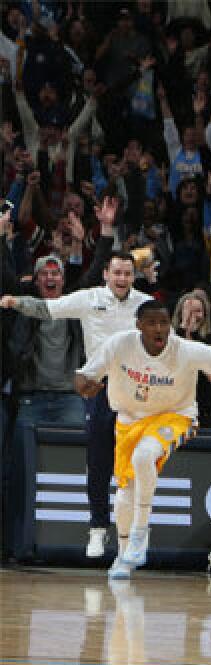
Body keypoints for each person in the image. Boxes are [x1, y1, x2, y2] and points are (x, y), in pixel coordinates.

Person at [74, 300, 211, 579]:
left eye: (164, 323)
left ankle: (141, 533)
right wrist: (84, 387)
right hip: (129, 420)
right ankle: (122, 557)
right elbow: (83, 376)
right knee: (123, 496)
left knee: (144, 456)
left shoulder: (185, 350)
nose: (159, 329)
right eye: (152, 323)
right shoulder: (119, 344)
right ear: (139, 326)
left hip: (175, 416)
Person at [1, 198, 149, 558]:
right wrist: (14, 299)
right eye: (116, 273)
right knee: (85, 463)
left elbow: (166, 340)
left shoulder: (131, 303)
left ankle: (132, 536)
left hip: (112, 394)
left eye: (128, 273)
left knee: (134, 465)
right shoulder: (72, 300)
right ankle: (83, 530)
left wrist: (107, 231)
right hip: (64, 394)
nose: (121, 278)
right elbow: (35, 301)